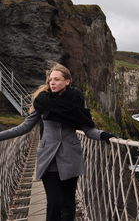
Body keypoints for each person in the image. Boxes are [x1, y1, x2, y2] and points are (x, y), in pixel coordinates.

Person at [0, 63, 115, 221]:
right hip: (49, 159)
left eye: (56, 79)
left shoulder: (76, 102)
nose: (52, 82)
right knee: (54, 202)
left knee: (68, 204)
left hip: (70, 157)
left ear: (67, 81)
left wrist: (104, 135)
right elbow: (24, 127)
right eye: (50, 80)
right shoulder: (42, 103)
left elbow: (88, 129)